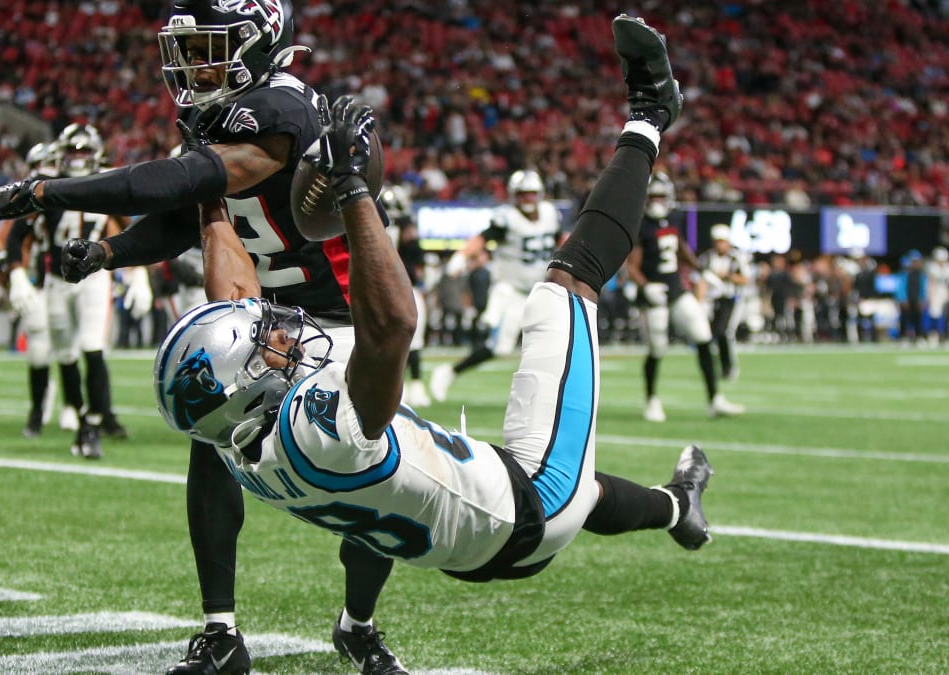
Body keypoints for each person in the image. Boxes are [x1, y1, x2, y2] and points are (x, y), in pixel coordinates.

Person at [155, 17, 713, 672]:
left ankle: (677, 504)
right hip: (530, 507)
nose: (273, 333)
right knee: (566, 285)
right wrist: (353, 191)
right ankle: (651, 113)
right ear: (251, 388)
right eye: (261, 349)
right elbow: (392, 323)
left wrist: (212, 202)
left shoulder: (241, 445)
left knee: (568, 484)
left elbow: (236, 301)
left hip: (476, 537)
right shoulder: (323, 424)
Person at [0, 2, 403, 672]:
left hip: (346, 317)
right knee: (211, 429)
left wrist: (47, 191)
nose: (194, 64)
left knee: (373, 475)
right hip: (274, 317)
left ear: (260, 44)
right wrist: (109, 256)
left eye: (210, 47)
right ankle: (220, 631)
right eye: (189, 49)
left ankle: (357, 623)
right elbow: (185, 213)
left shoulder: (280, 108)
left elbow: (190, 178)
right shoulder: (214, 113)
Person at [4, 123, 146, 457]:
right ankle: (82, 417)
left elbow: (135, 230)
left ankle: (97, 419)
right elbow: (15, 235)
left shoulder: (107, 186)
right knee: (65, 353)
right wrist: (16, 275)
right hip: (55, 280)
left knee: (91, 346)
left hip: (94, 278)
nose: (78, 159)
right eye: (73, 152)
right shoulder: (48, 187)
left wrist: (138, 274)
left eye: (84, 152)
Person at [429, 169, 561, 402]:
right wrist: (462, 256)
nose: (527, 199)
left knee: (553, 339)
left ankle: (545, 395)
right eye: (522, 194)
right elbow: (482, 238)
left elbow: (561, 239)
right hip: (511, 291)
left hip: (541, 290)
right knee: (500, 348)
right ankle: (450, 371)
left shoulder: (550, 214)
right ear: (514, 195)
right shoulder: (507, 218)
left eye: (531, 194)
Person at [624, 171, 743, 422]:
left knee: (703, 335)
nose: (657, 201)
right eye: (653, 196)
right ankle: (651, 400)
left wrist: (702, 270)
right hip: (654, 293)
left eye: (660, 196)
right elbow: (631, 265)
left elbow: (681, 248)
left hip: (677, 289)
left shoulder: (675, 218)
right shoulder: (640, 223)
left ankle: (714, 400)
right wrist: (645, 287)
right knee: (657, 347)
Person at [0, 141, 58, 438]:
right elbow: (6, 240)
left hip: (74, 282)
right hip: (38, 282)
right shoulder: (28, 199)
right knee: (39, 349)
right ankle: (38, 411)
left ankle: (82, 410)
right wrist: (15, 273)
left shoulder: (79, 191)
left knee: (81, 348)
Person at [381, 183, 430, 408]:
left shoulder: (380, 226)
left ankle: (400, 384)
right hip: (403, 289)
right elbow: (418, 265)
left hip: (385, 290)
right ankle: (414, 384)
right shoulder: (406, 230)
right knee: (413, 338)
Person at [697, 223, 749, 381]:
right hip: (712, 301)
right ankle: (716, 366)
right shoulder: (706, 257)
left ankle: (729, 367)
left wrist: (727, 276)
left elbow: (744, 279)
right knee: (710, 334)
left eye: (722, 241)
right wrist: (699, 301)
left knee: (724, 332)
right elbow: (700, 281)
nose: (720, 245)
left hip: (731, 299)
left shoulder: (737, 257)